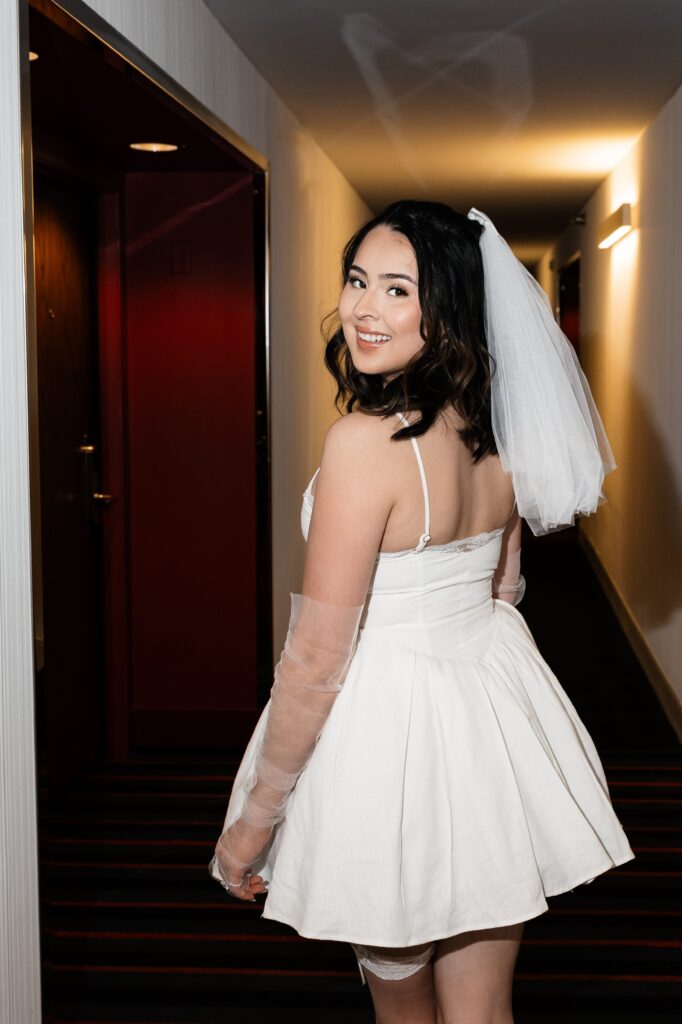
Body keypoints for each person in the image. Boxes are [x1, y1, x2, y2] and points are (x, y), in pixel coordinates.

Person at [208, 200, 635, 1024]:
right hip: (488, 724)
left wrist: (252, 825)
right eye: (359, 280)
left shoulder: (365, 444)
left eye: (398, 289)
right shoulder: (499, 431)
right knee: (483, 1010)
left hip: (387, 734)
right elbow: (503, 591)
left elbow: (318, 655)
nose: (365, 308)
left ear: (446, 309)